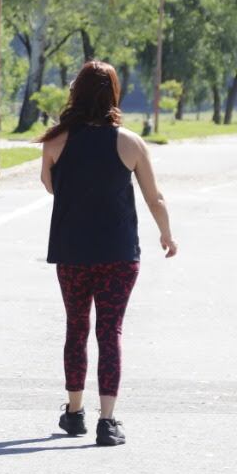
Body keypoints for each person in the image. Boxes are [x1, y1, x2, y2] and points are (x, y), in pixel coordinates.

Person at [39, 61, 177, 446]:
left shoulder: (55, 141)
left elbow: (51, 187)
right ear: (113, 94)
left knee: (76, 327)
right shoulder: (130, 142)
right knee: (109, 331)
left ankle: (74, 411)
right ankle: (108, 420)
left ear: (75, 93)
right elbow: (155, 197)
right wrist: (167, 235)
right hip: (118, 254)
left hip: (72, 252)